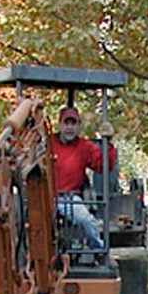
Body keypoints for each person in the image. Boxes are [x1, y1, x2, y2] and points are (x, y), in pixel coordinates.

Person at [50, 107, 116, 251]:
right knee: (31, 222)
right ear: (59, 125)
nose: (69, 128)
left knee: (86, 220)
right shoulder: (48, 144)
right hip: (46, 197)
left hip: (70, 198)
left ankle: (98, 250)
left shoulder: (84, 147)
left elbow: (103, 166)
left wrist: (108, 144)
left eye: (73, 124)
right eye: (66, 123)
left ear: (78, 126)